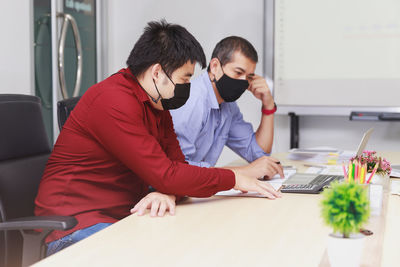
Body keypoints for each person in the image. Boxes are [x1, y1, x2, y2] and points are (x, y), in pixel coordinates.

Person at [35, 21, 281, 256]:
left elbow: (177, 169)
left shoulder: (157, 105)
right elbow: (165, 175)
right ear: (157, 72)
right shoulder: (114, 101)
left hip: (123, 218)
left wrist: (171, 190)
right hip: (75, 227)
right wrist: (235, 178)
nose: (187, 86)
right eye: (184, 79)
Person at [170, 36, 281, 177]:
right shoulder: (192, 100)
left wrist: (268, 105)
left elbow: (258, 154)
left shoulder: (227, 106)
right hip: (162, 194)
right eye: (238, 72)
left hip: (193, 191)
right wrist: (243, 172)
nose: (243, 82)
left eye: (249, 77)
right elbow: (177, 168)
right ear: (215, 66)